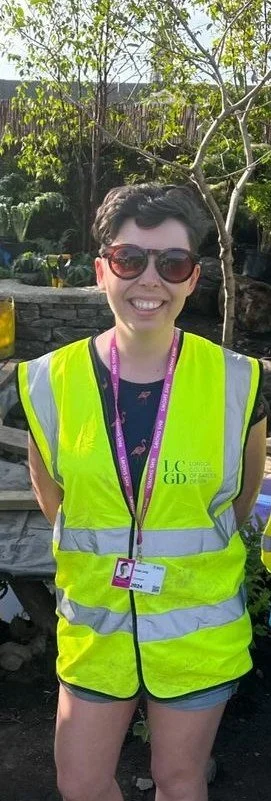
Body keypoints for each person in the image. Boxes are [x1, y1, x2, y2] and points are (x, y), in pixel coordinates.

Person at [17, 184, 267, 801]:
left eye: (171, 263)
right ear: (103, 267)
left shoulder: (243, 383)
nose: (148, 279)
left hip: (195, 636)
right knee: (80, 784)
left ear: (192, 279)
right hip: (98, 633)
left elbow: (238, 502)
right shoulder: (47, 383)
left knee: (180, 783)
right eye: (130, 259)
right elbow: (58, 505)